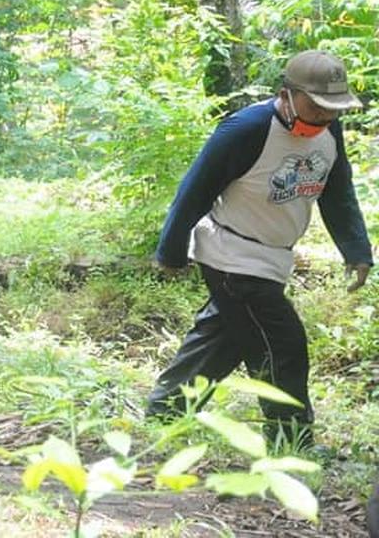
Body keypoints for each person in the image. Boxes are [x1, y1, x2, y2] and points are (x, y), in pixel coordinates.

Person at [148, 50, 373, 448]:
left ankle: (166, 410)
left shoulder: (328, 132)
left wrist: (356, 249)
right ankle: (291, 442)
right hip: (231, 255)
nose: (324, 117)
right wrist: (172, 251)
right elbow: (194, 191)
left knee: (226, 336)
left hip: (271, 258)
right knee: (282, 344)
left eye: (333, 110)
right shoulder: (246, 130)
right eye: (316, 107)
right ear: (287, 94)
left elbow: (337, 193)